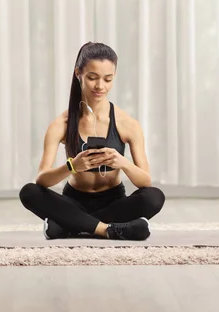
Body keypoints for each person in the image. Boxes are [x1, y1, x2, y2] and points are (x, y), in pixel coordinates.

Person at [19, 42, 165, 241]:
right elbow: (42, 180)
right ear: (78, 73)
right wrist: (72, 166)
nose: (100, 86)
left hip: (113, 202)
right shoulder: (61, 124)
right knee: (29, 192)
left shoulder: (127, 124)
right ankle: (108, 229)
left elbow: (145, 181)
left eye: (107, 79)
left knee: (154, 197)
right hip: (73, 201)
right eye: (92, 78)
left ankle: (69, 225)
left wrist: (122, 162)